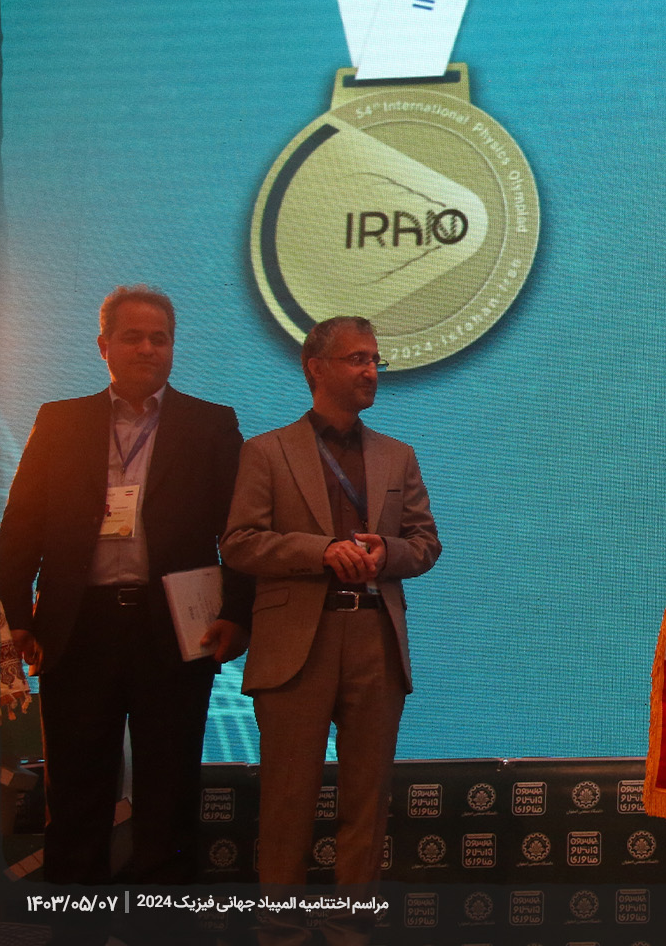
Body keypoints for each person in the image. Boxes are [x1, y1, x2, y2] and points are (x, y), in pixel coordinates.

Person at [0, 286, 251, 904]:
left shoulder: (210, 424)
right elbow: (22, 522)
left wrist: (238, 613)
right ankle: (73, 917)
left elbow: (240, 530)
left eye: (160, 338)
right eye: (132, 337)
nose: (147, 349)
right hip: (77, 626)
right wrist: (14, 617)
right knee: (75, 789)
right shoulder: (60, 421)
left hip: (175, 627)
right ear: (103, 346)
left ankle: (162, 919)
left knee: (169, 787)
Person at [222, 316, 440, 946]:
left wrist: (386, 553)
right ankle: (280, 931)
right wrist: (319, 551)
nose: (371, 370)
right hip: (298, 640)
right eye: (356, 359)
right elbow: (239, 543)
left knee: (366, 802)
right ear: (314, 368)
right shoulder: (266, 451)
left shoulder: (398, 455)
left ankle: (352, 931)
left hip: (375, 637)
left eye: (375, 359)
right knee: (287, 799)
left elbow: (426, 544)